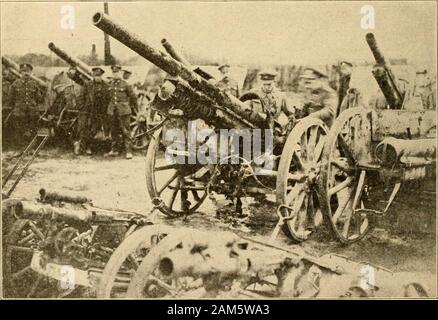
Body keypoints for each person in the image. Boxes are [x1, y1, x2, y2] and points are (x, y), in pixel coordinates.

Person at [74, 67, 109, 155]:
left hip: (99, 111)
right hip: (88, 111)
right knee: (84, 129)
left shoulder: (106, 85)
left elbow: (108, 98)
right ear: (93, 76)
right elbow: (81, 96)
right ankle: (82, 148)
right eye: (95, 75)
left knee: (94, 129)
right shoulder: (88, 84)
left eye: (99, 75)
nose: (97, 77)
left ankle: (88, 146)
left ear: (101, 76)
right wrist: (82, 108)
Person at [106, 65, 138, 159]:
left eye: (117, 72)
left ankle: (128, 151)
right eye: (114, 73)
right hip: (112, 111)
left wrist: (130, 107)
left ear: (120, 73)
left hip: (124, 111)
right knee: (114, 130)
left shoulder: (126, 84)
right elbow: (108, 97)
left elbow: (133, 97)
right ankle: (114, 150)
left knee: (126, 131)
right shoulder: (110, 84)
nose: (115, 74)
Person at [8, 63, 45, 141]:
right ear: (20, 73)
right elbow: (10, 99)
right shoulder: (15, 84)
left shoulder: (34, 84)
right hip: (19, 112)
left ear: (30, 73)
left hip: (32, 112)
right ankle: (20, 149)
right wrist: (16, 108)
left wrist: (34, 106)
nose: (26, 73)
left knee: (32, 130)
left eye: (28, 71)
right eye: (24, 71)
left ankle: (32, 148)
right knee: (19, 130)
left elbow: (39, 98)